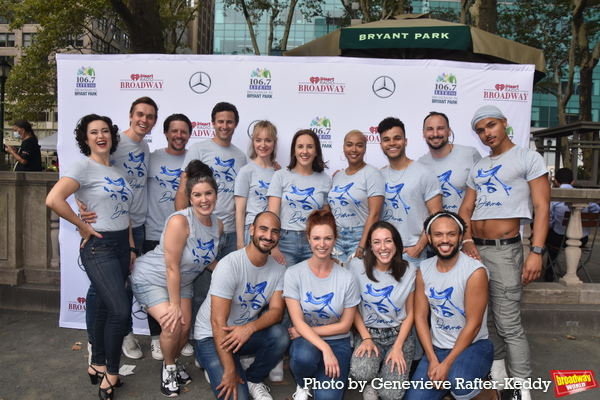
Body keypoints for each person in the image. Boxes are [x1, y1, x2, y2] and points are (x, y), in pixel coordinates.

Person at [459, 105, 550, 400]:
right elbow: (465, 209)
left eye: (491, 126)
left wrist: (536, 251)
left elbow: (542, 208)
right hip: (475, 253)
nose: (487, 133)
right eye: (481, 130)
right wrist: (467, 240)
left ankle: (522, 387)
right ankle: (499, 379)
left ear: (504, 123)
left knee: (508, 322)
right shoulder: (479, 166)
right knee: (485, 319)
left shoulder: (528, 157)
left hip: (506, 251)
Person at [46, 114, 135, 400]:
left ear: (112, 136)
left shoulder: (118, 171)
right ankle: (111, 371)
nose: (101, 136)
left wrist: (132, 247)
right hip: (100, 247)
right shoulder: (82, 167)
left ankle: (96, 362)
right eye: (94, 132)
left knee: (104, 307)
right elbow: (54, 199)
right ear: (86, 139)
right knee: (119, 312)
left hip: (122, 246)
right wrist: (82, 226)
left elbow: (126, 214)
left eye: (105, 131)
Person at [132, 160, 222, 397]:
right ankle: (170, 369)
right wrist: (173, 306)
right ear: (190, 198)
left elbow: (205, 259)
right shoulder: (180, 221)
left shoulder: (218, 225)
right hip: (152, 277)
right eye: (197, 195)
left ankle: (169, 361)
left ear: (216, 194)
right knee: (173, 325)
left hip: (182, 282)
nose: (204, 199)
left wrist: (229, 272)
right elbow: (172, 267)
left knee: (184, 330)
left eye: (208, 193)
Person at [79, 96, 158, 360]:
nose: (144, 120)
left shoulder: (145, 147)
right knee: (100, 289)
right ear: (130, 115)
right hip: (108, 228)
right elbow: (85, 173)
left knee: (126, 285)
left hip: (135, 225)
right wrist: (81, 211)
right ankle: (95, 341)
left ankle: (123, 333)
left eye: (149, 116)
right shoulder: (114, 142)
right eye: (140, 114)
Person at [194, 211, 289, 400]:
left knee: (280, 336)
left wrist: (249, 328)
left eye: (274, 231)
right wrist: (229, 370)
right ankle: (219, 365)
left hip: (241, 333)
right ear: (252, 230)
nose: (268, 236)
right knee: (238, 397)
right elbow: (217, 320)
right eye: (263, 229)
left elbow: (277, 312)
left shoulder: (279, 269)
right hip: (211, 336)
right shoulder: (230, 265)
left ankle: (253, 379)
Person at [405, 211, 496, 400]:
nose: (444, 240)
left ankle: (491, 394)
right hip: (438, 348)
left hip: (474, 345)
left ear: (461, 236)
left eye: (451, 234)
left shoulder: (475, 271)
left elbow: (474, 325)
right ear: (429, 238)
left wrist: (446, 364)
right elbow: (420, 317)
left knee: (459, 383)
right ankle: (448, 392)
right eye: (438, 234)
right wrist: (432, 359)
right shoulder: (424, 268)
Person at [175, 102, 248, 333]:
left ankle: (220, 336)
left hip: (231, 233)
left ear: (235, 124)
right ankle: (199, 341)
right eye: (220, 121)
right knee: (200, 292)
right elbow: (182, 190)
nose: (224, 126)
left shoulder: (240, 156)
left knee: (226, 292)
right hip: (203, 232)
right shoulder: (199, 149)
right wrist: (183, 224)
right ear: (212, 123)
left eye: (229, 121)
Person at [284, 210, 360, 400]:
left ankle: (326, 375)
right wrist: (324, 348)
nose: (322, 244)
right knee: (304, 358)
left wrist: (306, 332)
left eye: (328, 238)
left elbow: (345, 325)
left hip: (338, 341)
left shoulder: (347, 278)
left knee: (328, 397)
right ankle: (303, 383)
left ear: (335, 239)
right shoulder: (294, 274)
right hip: (305, 341)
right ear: (308, 239)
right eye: (316, 238)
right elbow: (298, 321)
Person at [348, 221, 417, 400]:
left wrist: (398, 346)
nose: (383, 247)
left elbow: (411, 314)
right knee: (360, 373)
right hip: (369, 332)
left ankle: (383, 378)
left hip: (399, 333)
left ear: (396, 243)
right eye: (377, 242)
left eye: (388, 241)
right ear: (370, 245)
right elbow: (353, 308)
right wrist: (366, 338)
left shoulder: (410, 270)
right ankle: (372, 378)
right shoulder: (356, 266)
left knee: (391, 395)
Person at [144, 114, 193, 360]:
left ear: (190, 134)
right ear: (165, 133)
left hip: (185, 237)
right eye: (174, 131)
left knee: (180, 286)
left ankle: (180, 336)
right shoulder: (151, 158)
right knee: (158, 289)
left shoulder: (195, 158)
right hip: (154, 234)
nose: (178, 135)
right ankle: (156, 338)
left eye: (183, 131)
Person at [377, 117, 442, 268]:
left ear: (405, 141)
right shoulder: (378, 176)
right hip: (384, 251)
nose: (392, 143)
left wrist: (418, 248)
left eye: (397, 138)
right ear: (381, 144)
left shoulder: (424, 173)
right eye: (386, 139)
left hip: (414, 253)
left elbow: (436, 216)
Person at [268, 130, 332, 266]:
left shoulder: (325, 180)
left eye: (310, 146)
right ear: (294, 151)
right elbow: (272, 215)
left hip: (313, 243)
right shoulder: (280, 176)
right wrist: (273, 247)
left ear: (316, 151)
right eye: (300, 146)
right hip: (284, 241)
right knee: (285, 286)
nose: (305, 151)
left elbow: (327, 218)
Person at [328, 130, 384, 265]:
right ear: (343, 147)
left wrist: (362, 245)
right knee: (338, 283)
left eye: (359, 145)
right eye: (349, 145)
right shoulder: (337, 176)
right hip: (337, 238)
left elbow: (375, 215)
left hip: (359, 236)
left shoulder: (372, 174)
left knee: (358, 281)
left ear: (365, 148)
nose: (354, 149)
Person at [417, 112, 482, 212]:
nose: (435, 134)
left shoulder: (470, 154)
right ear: (423, 133)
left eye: (440, 128)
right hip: (436, 226)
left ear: (449, 131)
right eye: (430, 129)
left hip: (465, 226)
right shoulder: (420, 164)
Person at [544, 167, 600, 282]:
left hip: (558, 238)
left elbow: (548, 220)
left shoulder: (553, 198)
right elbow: (596, 210)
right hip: (582, 239)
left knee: (550, 237)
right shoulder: (585, 198)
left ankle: (549, 271)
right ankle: (573, 270)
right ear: (572, 182)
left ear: (556, 181)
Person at [235, 120, 278, 250]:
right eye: (258, 140)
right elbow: (239, 211)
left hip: (274, 234)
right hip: (253, 232)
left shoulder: (279, 173)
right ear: (253, 142)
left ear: (274, 142)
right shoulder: (246, 171)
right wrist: (240, 243)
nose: (263, 145)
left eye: (268, 140)